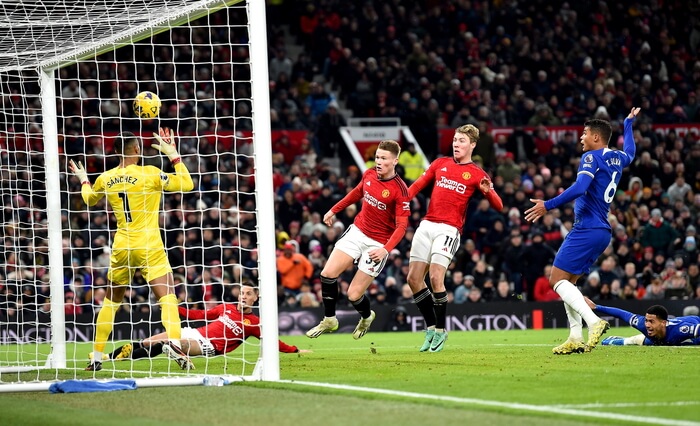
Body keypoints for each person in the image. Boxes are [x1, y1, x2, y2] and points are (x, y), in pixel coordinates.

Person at [70, 128, 194, 371]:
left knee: (111, 301)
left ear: (116, 152)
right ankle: (176, 344)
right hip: (149, 244)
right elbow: (187, 184)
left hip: (122, 246)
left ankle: (96, 356)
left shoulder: (105, 178)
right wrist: (173, 154)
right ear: (137, 150)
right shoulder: (150, 174)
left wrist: (84, 179)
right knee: (167, 296)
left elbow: (88, 199)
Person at [524, 107, 641, 355]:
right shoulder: (617, 157)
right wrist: (628, 124)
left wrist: (548, 205)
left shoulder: (592, 158)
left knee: (556, 280)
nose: (581, 138)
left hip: (586, 228)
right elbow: (631, 152)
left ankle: (593, 322)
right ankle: (575, 337)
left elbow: (580, 187)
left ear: (596, 138)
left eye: (584, 133)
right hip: (602, 231)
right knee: (569, 284)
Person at [406, 124, 503, 352]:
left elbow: (499, 206)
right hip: (427, 224)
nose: (456, 144)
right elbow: (418, 185)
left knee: (436, 278)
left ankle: (440, 330)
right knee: (413, 279)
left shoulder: (477, 173)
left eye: (461, 141)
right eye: (455, 140)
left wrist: (489, 191)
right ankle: (431, 327)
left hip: (449, 230)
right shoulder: (440, 163)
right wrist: (402, 200)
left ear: (472, 145)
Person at [306, 140, 410, 340]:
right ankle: (329, 319)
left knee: (354, 295)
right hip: (358, 232)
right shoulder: (370, 173)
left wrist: (385, 250)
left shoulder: (400, 190)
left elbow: (402, 227)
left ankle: (366, 316)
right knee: (327, 274)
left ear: (395, 161)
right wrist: (333, 209)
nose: (378, 161)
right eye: (377, 157)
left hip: (377, 243)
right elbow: (357, 192)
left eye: (384, 158)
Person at [101, 284, 311, 369]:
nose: (244, 296)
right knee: (148, 342)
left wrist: (295, 350)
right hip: (194, 332)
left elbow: (273, 341)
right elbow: (199, 315)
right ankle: (107, 358)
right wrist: (176, 308)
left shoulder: (254, 324)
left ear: (256, 299)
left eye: (248, 294)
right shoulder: (225, 307)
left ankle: (176, 351)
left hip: (210, 346)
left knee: (172, 343)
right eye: (242, 293)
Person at [584, 297, 700, 346]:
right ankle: (618, 341)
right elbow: (622, 314)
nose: (647, 325)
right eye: (646, 320)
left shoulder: (680, 330)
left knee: (644, 341)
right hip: (660, 339)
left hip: (694, 323)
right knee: (643, 341)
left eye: (651, 321)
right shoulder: (642, 324)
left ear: (663, 323)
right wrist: (596, 307)